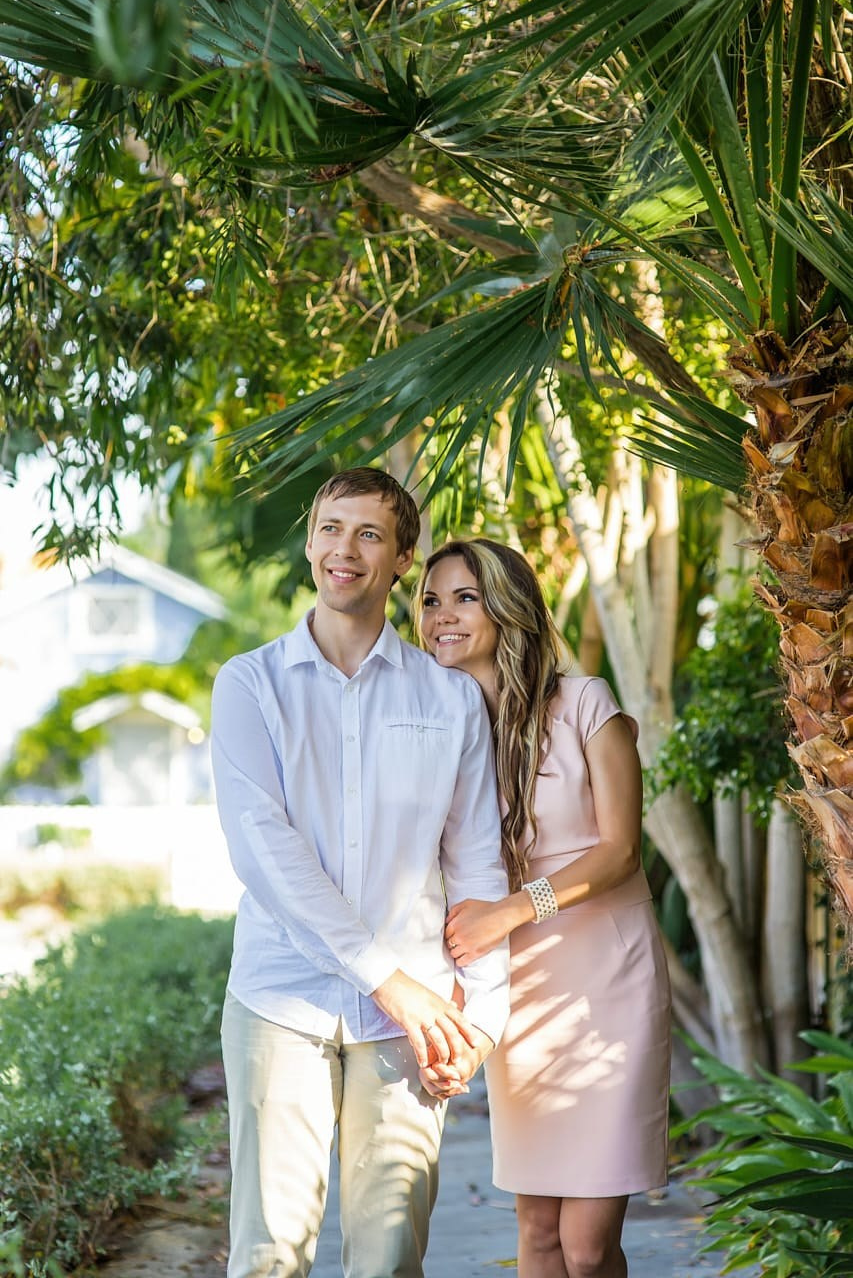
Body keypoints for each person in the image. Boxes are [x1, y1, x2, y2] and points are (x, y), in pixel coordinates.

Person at [210, 470, 510, 1278]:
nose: (346, 549)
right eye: (331, 528)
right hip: (280, 1001)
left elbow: (476, 859)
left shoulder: (448, 700)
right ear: (310, 543)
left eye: (370, 534)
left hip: (414, 1028)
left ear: (402, 558)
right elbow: (265, 854)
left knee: (388, 1259)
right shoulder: (249, 684)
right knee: (270, 1252)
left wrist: (481, 1018)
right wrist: (391, 980)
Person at [414, 538, 671, 1278]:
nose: (442, 616)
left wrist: (507, 912)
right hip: (516, 993)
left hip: (606, 985)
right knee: (536, 1234)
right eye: (430, 600)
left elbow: (621, 850)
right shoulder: (444, 733)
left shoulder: (586, 702)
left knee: (588, 1250)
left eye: (464, 597)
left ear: (507, 605)